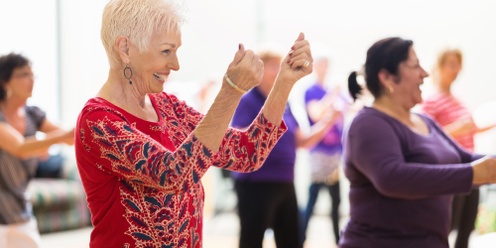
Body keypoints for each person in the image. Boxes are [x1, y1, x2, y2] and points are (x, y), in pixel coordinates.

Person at [73, 0, 314, 247]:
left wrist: (284, 82)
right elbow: (174, 176)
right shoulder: (98, 120)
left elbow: (247, 153)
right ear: (125, 48)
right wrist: (231, 91)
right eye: (166, 51)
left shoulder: (169, 107)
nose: (175, 65)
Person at [340, 37, 496, 248]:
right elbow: (391, 177)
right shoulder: (367, 124)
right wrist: (471, 174)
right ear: (387, 77)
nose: (425, 73)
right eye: (415, 66)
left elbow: (464, 158)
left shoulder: (425, 121)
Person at [230, 47, 338, 248]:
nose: (279, 72)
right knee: (251, 240)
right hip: (255, 183)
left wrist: (328, 122)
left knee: (291, 241)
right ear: (259, 72)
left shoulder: (284, 104)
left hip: (285, 181)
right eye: (273, 67)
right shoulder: (247, 101)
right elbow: (239, 142)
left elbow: (301, 141)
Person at [420, 48, 496, 248]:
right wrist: (457, 128)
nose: (456, 70)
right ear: (440, 66)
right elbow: (424, 138)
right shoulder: (431, 100)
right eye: (452, 65)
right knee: (448, 225)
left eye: (458, 65)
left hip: (472, 167)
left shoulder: (458, 100)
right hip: (453, 170)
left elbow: (472, 129)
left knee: (467, 225)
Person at [0, 53, 74, 248]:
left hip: (20, 210)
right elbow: (20, 148)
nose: (31, 80)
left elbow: (70, 136)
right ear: (5, 81)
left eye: (33, 75)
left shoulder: (33, 115)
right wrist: (51, 141)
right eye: (24, 74)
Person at [301, 53, 350, 246]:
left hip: (335, 155)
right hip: (318, 154)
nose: (324, 68)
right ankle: (300, 238)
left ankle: (338, 241)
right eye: (321, 64)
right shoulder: (310, 91)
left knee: (336, 203)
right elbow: (316, 113)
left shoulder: (334, 91)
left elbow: (347, 111)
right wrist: (333, 96)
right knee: (312, 200)